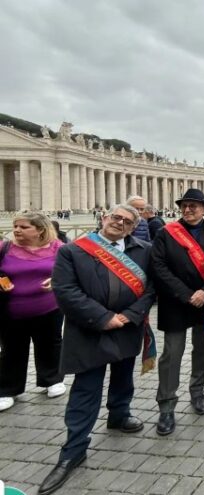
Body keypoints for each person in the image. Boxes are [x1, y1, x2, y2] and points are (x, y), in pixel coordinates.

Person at [40, 205, 154, 494]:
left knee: (123, 376)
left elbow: (152, 289)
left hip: (127, 325)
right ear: (104, 218)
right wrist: (103, 318)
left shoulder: (144, 250)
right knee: (86, 386)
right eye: (115, 217)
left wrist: (130, 315)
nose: (119, 223)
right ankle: (73, 449)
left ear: (132, 228)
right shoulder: (73, 250)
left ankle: (119, 414)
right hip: (88, 328)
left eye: (127, 221)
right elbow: (66, 291)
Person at [152, 189, 204, 436]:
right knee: (172, 354)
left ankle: (198, 391)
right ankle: (167, 405)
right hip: (175, 303)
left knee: (203, 349)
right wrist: (185, 293)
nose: (188, 209)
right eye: (185, 205)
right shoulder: (165, 233)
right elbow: (158, 267)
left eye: (194, 205)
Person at [0, 213, 65, 413]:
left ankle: (52, 380)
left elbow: (72, 271)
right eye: (15, 226)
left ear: (40, 230)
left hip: (49, 307)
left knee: (50, 343)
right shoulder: (5, 248)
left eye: (24, 227)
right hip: (11, 308)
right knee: (11, 348)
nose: (17, 230)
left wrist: (57, 280)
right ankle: (8, 389)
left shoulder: (59, 248)